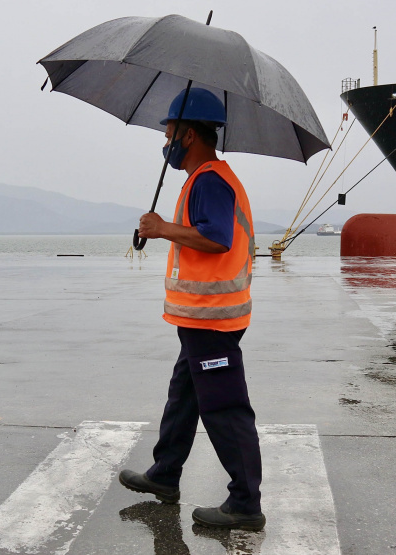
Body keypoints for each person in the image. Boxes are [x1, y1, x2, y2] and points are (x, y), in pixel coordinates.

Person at [118, 88, 265, 532]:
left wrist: (163, 228)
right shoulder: (201, 178)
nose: (165, 141)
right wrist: (162, 229)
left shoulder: (210, 180)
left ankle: (245, 504)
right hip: (199, 317)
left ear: (189, 134)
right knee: (184, 395)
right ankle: (165, 475)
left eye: (169, 132)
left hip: (213, 317)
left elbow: (217, 238)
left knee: (224, 405)